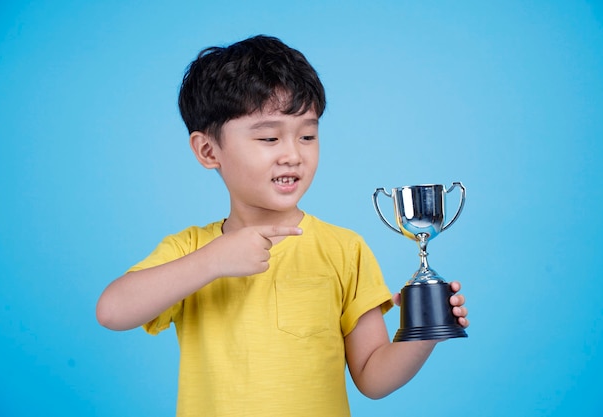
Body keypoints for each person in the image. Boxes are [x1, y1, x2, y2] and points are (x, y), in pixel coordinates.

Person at [96, 34, 469, 417]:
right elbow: (112, 310)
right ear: (208, 151)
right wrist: (212, 262)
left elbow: (372, 378)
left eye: (307, 135)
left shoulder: (344, 249)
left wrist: (425, 330)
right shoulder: (191, 249)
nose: (292, 154)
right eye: (269, 137)